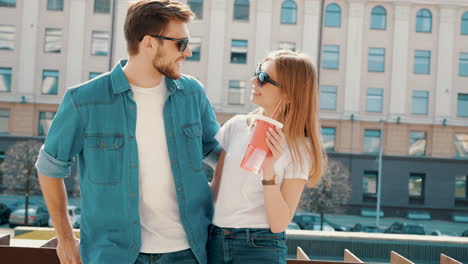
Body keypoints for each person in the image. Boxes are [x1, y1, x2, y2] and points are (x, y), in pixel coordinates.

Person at [35, 1, 220, 263]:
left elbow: (218, 153)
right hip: (113, 254)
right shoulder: (84, 100)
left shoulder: (192, 93)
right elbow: (49, 168)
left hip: (189, 253)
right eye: (180, 43)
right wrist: (65, 239)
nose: (187, 52)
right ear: (148, 44)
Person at [207, 50, 326, 264]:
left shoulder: (299, 148)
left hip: (259, 246)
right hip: (214, 240)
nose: (254, 80)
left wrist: (269, 168)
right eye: (257, 72)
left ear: (289, 95)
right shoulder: (236, 126)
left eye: (264, 78)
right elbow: (215, 192)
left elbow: (279, 223)